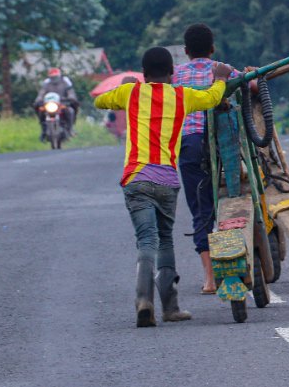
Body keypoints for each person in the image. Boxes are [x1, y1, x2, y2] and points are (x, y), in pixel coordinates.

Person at [95, 47, 233, 327]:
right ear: (172, 74)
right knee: (165, 240)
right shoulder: (181, 96)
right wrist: (219, 78)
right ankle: (170, 307)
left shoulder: (131, 94)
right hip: (167, 182)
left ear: (143, 75)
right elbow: (211, 98)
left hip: (136, 179)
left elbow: (101, 104)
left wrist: (125, 87)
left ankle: (143, 300)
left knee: (146, 241)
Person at [171, 23, 236, 295]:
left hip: (190, 146)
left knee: (201, 209)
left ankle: (210, 279)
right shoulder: (223, 70)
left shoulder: (175, 75)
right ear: (212, 48)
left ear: (185, 51)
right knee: (231, 200)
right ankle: (235, 262)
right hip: (224, 144)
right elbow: (254, 86)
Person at [33, 67, 79, 139]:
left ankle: (70, 129)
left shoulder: (65, 82)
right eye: (52, 77)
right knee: (40, 111)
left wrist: (71, 97)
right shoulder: (46, 84)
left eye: (55, 77)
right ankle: (43, 130)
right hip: (49, 104)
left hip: (63, 103)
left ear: (59, 76)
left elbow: (70, 92)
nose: (54, 79)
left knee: (70, 111)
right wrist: (38, 99)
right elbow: (41, 93)